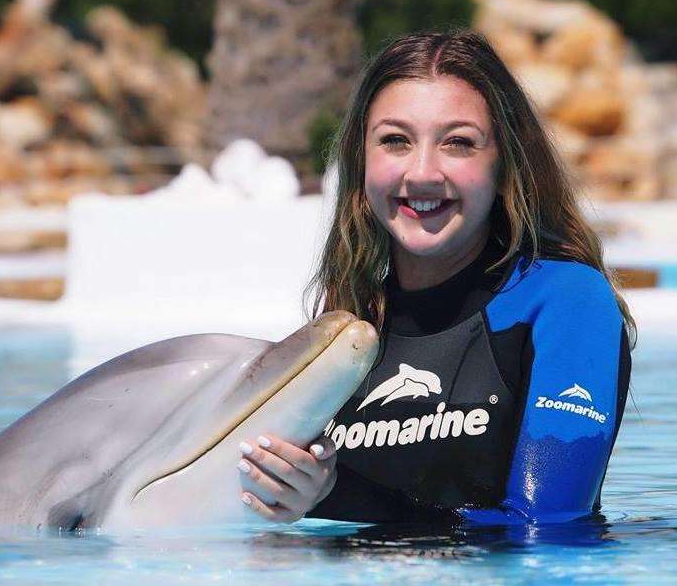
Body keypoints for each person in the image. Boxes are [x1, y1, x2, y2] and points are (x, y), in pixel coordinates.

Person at [235, 29, 634, 526]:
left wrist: (332, 496)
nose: (422, 172)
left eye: (458, 143)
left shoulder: (566, 303)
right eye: (396, 141)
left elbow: (546, 528)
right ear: (361, 161)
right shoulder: (351, 329)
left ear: (505, 164)